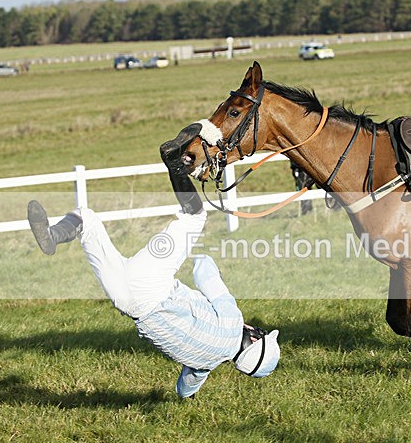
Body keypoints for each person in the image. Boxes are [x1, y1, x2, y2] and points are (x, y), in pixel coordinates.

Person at [26, 123, 280, 399]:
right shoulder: (203, 365)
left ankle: (174, 162)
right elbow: (184, 389)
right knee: (86, 220)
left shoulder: (233, 321)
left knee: (195, 218)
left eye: (259, 332)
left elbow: (206, 276)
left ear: (254, 339)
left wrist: (198, 254)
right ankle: (51, 237)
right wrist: (189, 395)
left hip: (153, 288)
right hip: (128, 303)